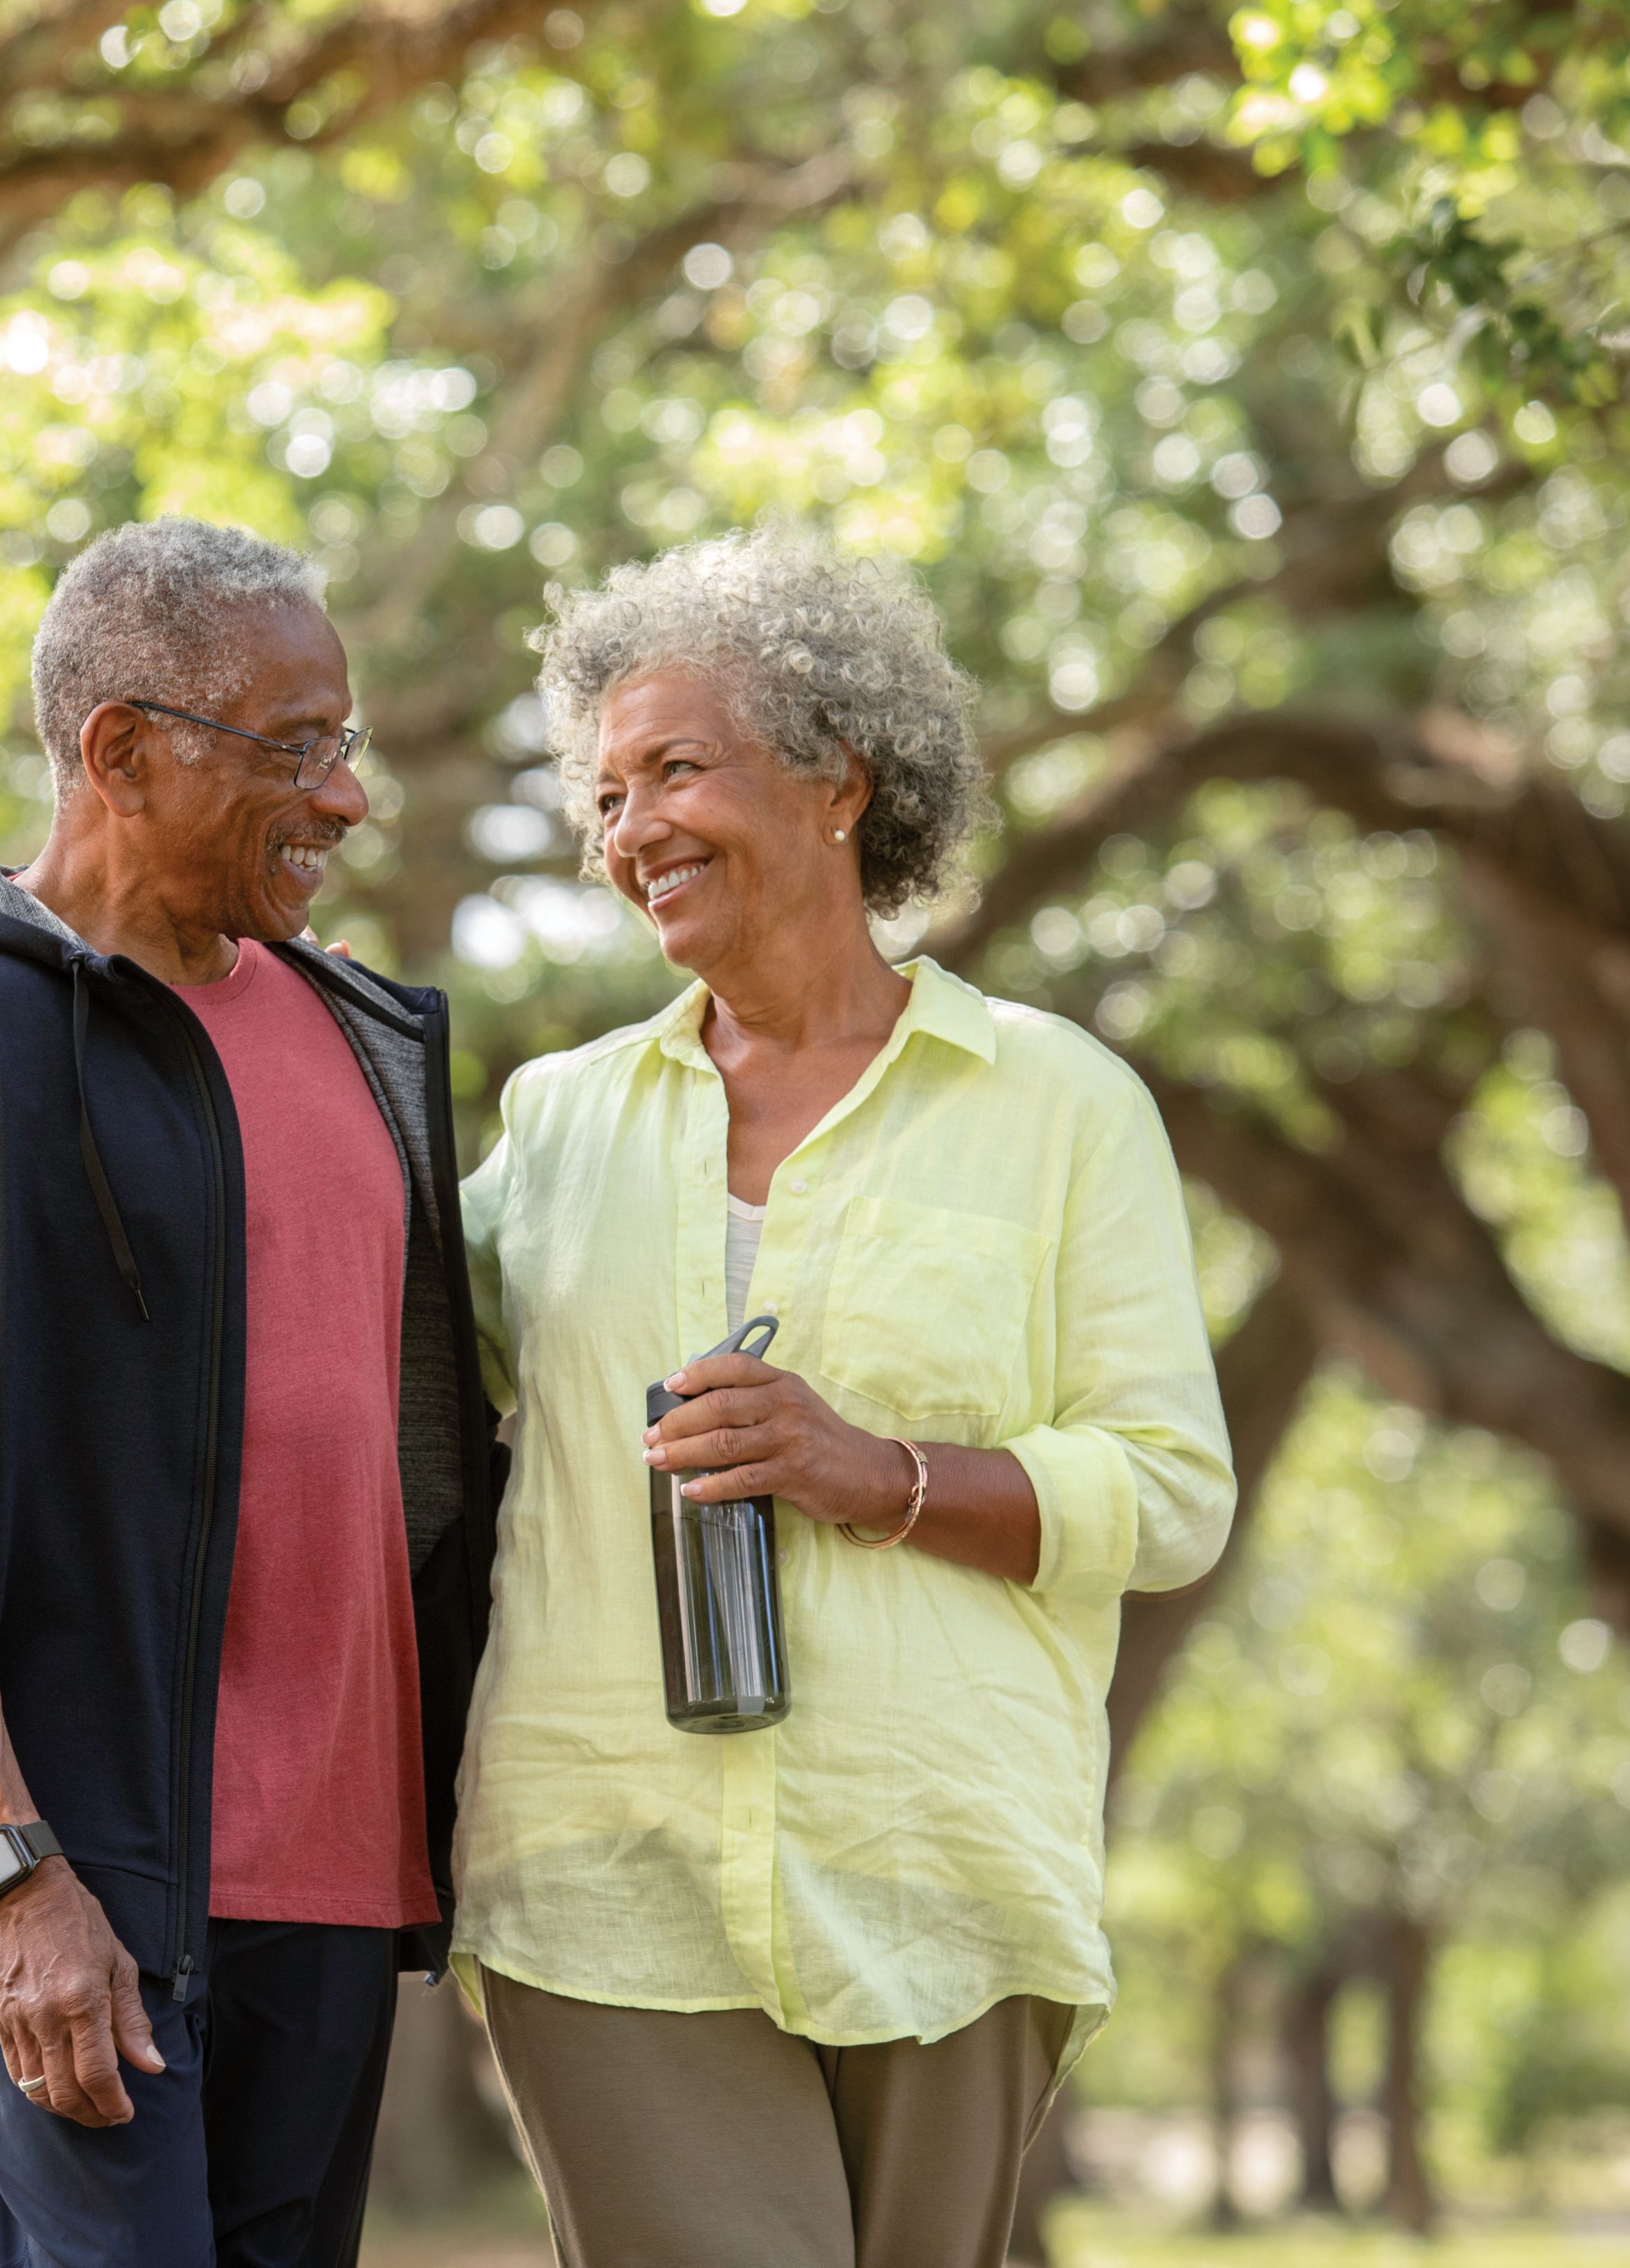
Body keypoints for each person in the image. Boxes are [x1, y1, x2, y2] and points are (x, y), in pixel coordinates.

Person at [451, 530, 1236, 2268]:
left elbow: (1171, 1492)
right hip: (606, 1881)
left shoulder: (1056, 1103)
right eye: (603, 793)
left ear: (832, 782)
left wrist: (869, 1468)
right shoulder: (561, 1121)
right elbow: (380, 1378)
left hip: (945, 1872)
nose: (629, 825)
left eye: (674, 768)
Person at [0, 518, 501, 2268]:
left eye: (347, 746)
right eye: (292, 747)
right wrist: (14, 1869)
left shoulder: (361, 1033)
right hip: (89, 1874)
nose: (342, 798)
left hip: (339, 1879)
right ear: (119, 747)